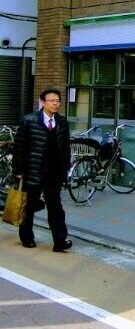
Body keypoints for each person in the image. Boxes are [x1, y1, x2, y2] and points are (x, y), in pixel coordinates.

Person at [13, 88, 72, 252]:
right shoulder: (29, 120)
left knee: (56, 207)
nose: (55, 104)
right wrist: (18, 170)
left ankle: (60, 241)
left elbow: (66, 147)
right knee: (29, 206)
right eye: (52, 100)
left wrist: (65, 169)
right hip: (33, 171)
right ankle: (27, 237)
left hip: (54, 173)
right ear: (42, 102)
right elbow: (19, 147)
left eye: (57, 101)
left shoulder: (62, 122)